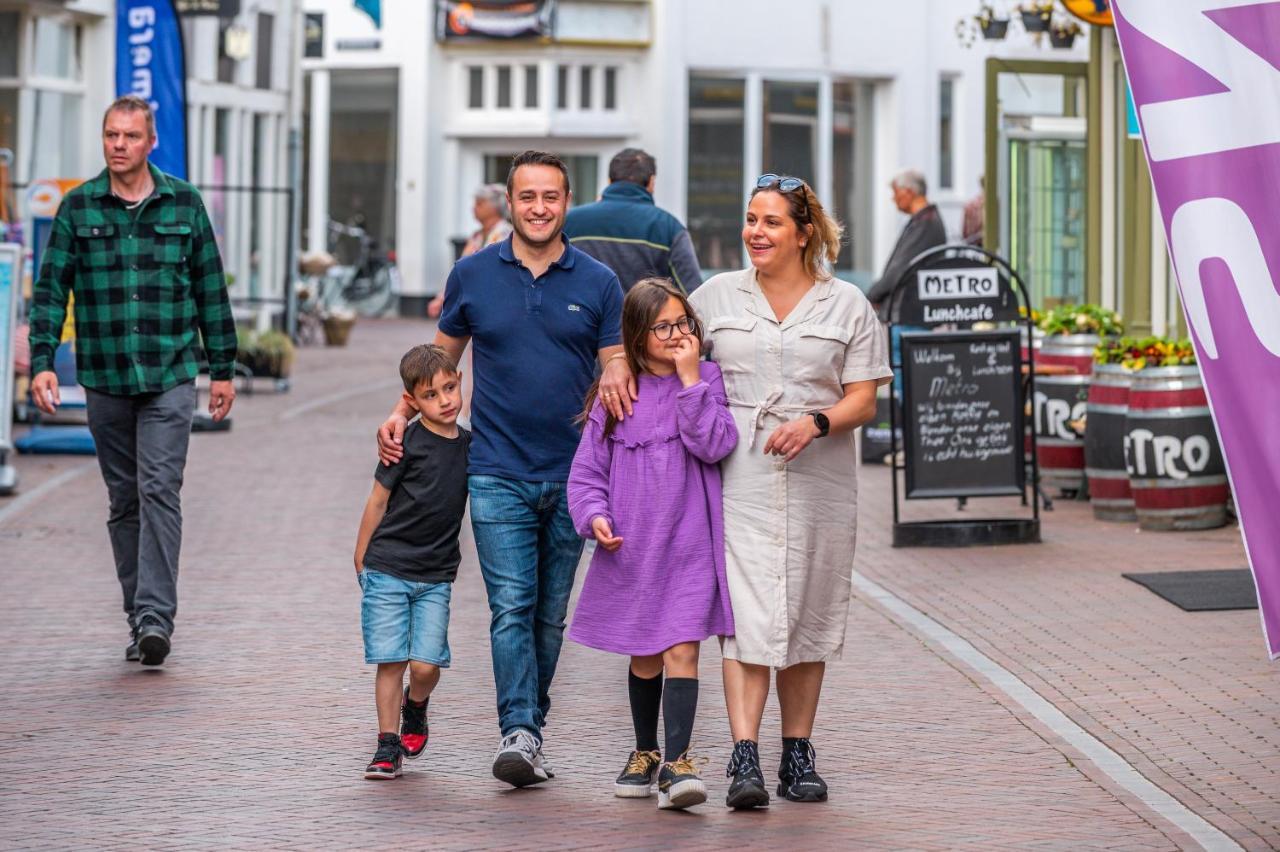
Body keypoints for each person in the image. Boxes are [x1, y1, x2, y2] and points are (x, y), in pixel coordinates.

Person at [607, 173, 891, 809]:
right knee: (745, 616)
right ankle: (744, 759)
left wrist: (817, 421)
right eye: (751, 219)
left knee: (809, 611)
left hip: (820, 478)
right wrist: (619, 362)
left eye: (770, 223)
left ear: (803, 232)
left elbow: (865, 397)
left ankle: (797, 754)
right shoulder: (715, 297)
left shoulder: (846, 304)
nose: (755, 233)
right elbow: (658, 334)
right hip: (736, 475)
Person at [376, 150, 627, 788]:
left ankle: (529, 729)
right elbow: (437, 360)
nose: (538, 208)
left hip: (574, 476)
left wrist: (622, 372)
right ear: (509, 203)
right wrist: (399, 412)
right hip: (494, 470)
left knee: (549, 614)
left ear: (566, 203)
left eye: (550, 196)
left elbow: (615, 361)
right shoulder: (473, 275)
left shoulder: (598, 281)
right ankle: (518, 729)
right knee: (512, 606)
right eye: (527, 197)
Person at [28, 95, 236, 667]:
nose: (118, 145)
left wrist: (222, 368)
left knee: (159, 489)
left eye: (129, 136)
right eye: (110, 135)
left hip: (170, 373)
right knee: (124, 500)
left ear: (151, 142)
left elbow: (209, 292)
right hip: (105, 375)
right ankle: (137, 614)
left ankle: (155, 618)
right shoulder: (78, 208)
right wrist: (43, 359)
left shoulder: (185, 205)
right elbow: (50, 292)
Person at [566, 279, 738, 810]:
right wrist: (594, 516)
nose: (677, 334)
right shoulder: (618, 393)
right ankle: (645, 751)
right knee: (645, 654)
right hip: (634, 548)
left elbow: (716, 444)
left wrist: (690, 383)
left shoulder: (708, 378)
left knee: (683, 647)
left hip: (689, 544)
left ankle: (678, 762)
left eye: (684, 322)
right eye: (663, 326)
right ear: (638, 336)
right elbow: (586, 474)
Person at [353, 344, 470, 781]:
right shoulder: (404, 442)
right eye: (431, 395)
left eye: (450, 388)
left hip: (436, 575)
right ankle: (387, 745)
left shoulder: (469, 447)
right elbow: (378, 499)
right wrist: (361, 554)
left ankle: (415, 705)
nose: (445, 401)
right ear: (412, 400)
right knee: (391, 660)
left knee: (426, 665)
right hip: (387, 566)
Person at [563, 148, 703, 294]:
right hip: (645, 317)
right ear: (651, 182)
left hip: (584, 316)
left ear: (609, 181)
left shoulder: (569, 221)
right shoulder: (669, 227)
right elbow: (693, 294)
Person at [866, 168, 948, 321]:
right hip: (911, 312)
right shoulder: (924, 221)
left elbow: (899, 269)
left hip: (909, 314)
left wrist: (870, 296)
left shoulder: (925, 223)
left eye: (895, 192)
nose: (893, 198)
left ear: (909, 192)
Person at [427, 184, 513, 318]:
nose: (473, 208)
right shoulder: (476, 237)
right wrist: (441, 298)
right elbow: (459, 269)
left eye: (479, 203)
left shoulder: (506, 234)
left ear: (494, 207)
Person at [962, 175, 985, 247]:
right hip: (982, 248)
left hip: (973, 249)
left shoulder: (969, 205)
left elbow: (965, 234)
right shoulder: (998, 205)